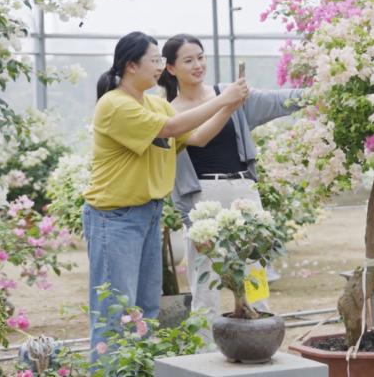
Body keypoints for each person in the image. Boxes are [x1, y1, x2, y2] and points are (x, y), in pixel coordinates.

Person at [82, 31, 248, 360]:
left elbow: (197, 137)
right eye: (155, 60)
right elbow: (169, 130)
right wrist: (222, 99)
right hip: (114, 219)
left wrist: (230, 107)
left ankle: (139, 368)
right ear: (131, 66)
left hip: (147, 215)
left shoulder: (156, 103)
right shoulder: (114, 105)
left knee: (145, 310)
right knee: (114, 312)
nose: (159, 66)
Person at [158, 33, 304, 346]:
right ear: (170, 68)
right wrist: (227, 103)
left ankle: (259, 338)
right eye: (188, 60)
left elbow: (281, 100)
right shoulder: (169, 111)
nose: (198, 65)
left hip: (242, 187)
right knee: (204, 276)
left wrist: (324, 91)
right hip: (202, 197)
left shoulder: (230, 93)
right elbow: (197, 137)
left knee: (255, 267)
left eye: (200, 57)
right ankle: (204, 351)